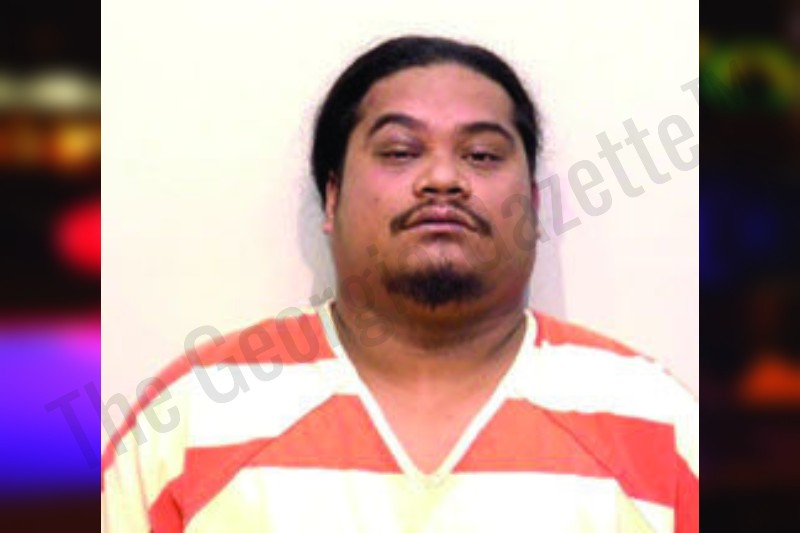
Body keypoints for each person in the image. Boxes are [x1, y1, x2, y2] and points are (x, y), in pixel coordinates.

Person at [101, 36, 698, 532]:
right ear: (332, 197)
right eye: (400, 151)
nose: (443, 178)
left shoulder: (658, 424)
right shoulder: (192, 419)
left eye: (482, 155)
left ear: (535, 206)